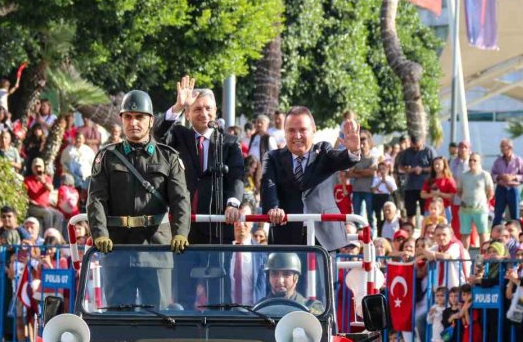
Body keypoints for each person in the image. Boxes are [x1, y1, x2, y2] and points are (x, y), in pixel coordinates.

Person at [86, 89, 191, 308]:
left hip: (156, 249)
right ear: (121, 120)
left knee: (158, 320)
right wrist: (100, 234)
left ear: (151, 120)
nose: (134, 123)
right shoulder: (107, 157)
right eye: (128, 117)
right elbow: (96, 199)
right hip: (117, 248)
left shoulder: (168, 157)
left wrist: (181, 233)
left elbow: (181, 199)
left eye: (140, 117)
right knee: (117, 317)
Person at [157, 76, 245, 243]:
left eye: (208, 108)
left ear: (215, 111)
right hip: (183, 227)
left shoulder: (229, 143)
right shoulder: (179, 136)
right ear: (188, 115)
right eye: (197, 109)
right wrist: (178, 106)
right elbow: (159, 134)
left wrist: (232, 204)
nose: (204, 114)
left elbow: (236, 175)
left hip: (218, 225)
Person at [260, 106, 361, 251]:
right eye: (291, 130)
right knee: (282, 274)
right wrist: (273, 209)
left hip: (324, 237)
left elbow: (341, 159)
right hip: (286, 233)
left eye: (302, 130)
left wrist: (352, 151)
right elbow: (267, 185)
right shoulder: (272, 157)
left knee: (322, 275)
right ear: (284, 132)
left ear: (313, 130)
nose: (297, 135)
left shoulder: (324, 151)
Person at [458, 153, 494, 249]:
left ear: (480, 161)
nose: (472, 162)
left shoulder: (485, 175)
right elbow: (459, 191)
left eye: (475, 160)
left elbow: (490, 192)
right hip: (465, 209)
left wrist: (482, 201)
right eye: (470, 160)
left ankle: (484, 254)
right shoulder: (463, 175)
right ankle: (464, 255)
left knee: (483, 233)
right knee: (465, 233)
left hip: (480, 209)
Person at [395, 135, 435, 219]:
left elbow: (435, 167)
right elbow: (400, 168)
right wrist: (410, 170)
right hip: (410, 187)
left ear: (422, 142)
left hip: (425, 187)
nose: (416, 149)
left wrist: (422, 169)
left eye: (418, 147)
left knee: (426, 213)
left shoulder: (429, 151)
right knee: (410, 214)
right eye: (414, 147)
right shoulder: (407, 152)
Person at [490, 139, 523, 226]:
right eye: (501, 147)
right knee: (498, 214)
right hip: (501, 189)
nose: (501, 149)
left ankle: (517, 234)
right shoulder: (498, 161)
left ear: (510, 147)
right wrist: (500, 177)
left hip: (513, 189)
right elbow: (492, 174)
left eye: (503, 146)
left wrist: (513, 177)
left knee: (515, 215)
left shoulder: (518, 160)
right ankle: (495, 235)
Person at [23, 158, 65, 236]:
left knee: (59, 214)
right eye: (36, 167)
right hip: (34, 206)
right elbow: (23, 195)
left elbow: (51, 189)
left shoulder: (46, 178)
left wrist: (43, 182)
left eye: (39, 167)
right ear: (33, 168)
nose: (38, 169)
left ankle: (55, 235)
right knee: (47, 214)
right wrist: (31, 201)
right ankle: (47, 235)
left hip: (46, 206)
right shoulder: (27, 180)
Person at [347, 131, 378, 229]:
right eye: (361, 144)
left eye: (364, 144)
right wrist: (363, 172)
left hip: (368, 190)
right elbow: (349, 173)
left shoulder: (373, 158)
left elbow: (371, 172)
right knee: (356, 214)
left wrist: (357, 171)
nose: (362, 146)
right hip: (356, 190)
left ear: (369, 145)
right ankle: (357, 233)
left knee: (370, 214)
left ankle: (372, 234)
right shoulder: (356, 158)